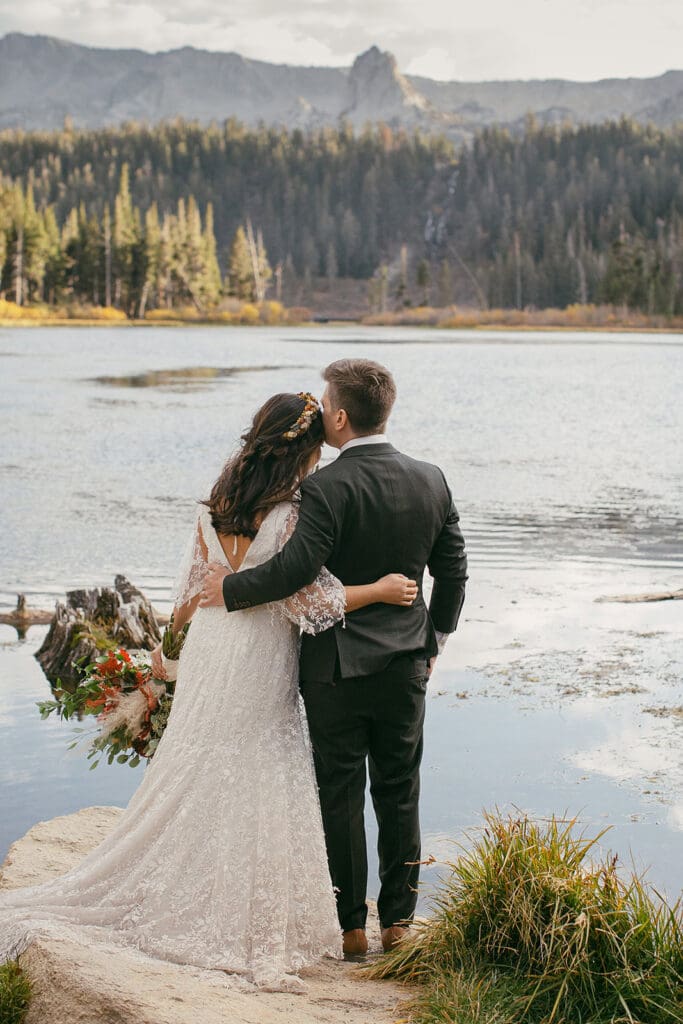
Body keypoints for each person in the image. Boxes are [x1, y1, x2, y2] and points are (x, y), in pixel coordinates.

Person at [0, 392, 416, 993]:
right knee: (257, 758)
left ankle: (181, 874)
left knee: (200, 753)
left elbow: (191, 594)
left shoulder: (216, 504)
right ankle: (233, 902)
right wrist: (377, 589)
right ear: (303, 447)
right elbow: (306, 598)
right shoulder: (296, 508)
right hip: (260, 651)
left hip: (214, 650)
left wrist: (166, 660)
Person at [200, 359, 468, 958]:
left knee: (339, 793)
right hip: (407, 666)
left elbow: (295, 572)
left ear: (341, 416)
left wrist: (230, 589)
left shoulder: (324, 488)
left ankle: (350, 927)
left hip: (335, 671)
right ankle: (398, 924)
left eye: (325, 402)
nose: (321, 411)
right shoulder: (433, 479)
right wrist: (435, 644)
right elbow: (453, 573)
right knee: (400, 790)